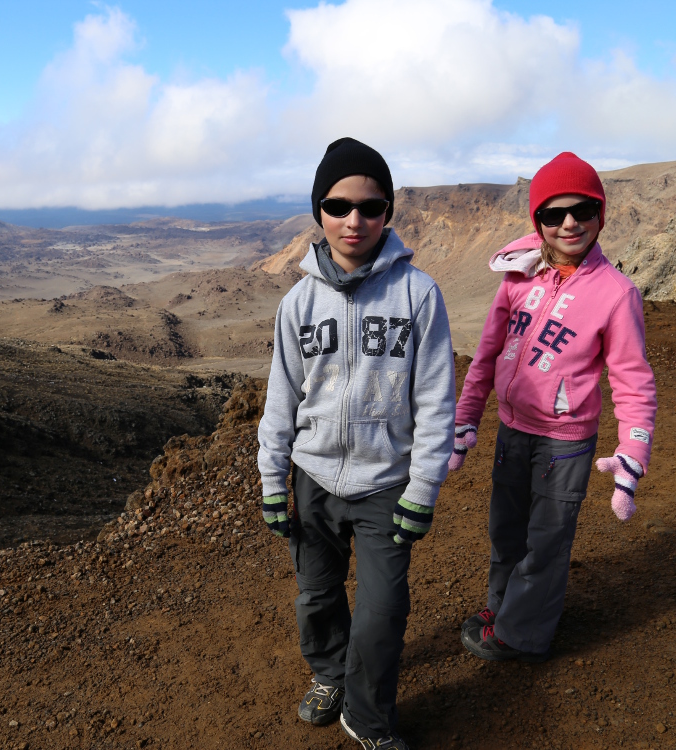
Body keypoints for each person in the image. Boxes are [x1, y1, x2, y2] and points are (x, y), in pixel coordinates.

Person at [257, 137, 456, 750]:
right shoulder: (298, 303)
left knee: (384, 608)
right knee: (317, 595)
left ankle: (368, 719)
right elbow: (282, 396)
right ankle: (330, 674)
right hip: (313, 479)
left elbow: (435, 398)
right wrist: (272, 479)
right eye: (338, 205)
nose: (354, 220)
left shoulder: (417, 294)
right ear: (318, 209)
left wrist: (424, 487)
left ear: (388, 212)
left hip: (385, 482)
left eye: (371, 207)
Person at [450, 151, 658, 662]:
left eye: (583, 210)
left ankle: (521, 636)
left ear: (600, 214)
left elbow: (633, 380)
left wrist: (633, 451)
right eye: (553, 213)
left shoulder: (616, 294)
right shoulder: (519, 276)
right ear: (537, 220)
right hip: (512, 428)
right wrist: (466, 417)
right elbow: (487, 354)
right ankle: (504, 608)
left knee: (546, 541)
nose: (569, 223)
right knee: (506, 529)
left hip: (565, 443)